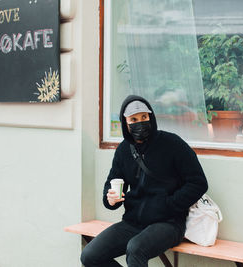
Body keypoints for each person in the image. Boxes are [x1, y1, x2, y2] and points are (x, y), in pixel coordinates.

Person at [81, 95, 208, 267]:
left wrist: (168, 204)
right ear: (125, 123)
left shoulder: (172, 144)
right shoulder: (124, 150)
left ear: (151, 117)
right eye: (133, 119)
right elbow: (112, 184)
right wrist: (110, 199)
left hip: (168, 223)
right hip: (133, 222)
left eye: (143, 117)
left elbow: (198, 183)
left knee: (136, 249)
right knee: (90, 255)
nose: (140, 122)